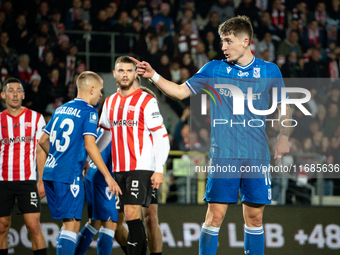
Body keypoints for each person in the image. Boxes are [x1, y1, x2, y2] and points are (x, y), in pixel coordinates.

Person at [132, 15, 291, 255]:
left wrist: (284, 137)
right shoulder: (214, 69)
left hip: (257, 156)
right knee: (215, 216)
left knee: (256, 218)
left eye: (228, 41)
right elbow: (178, 92)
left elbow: (284, 107)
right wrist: (154, 75)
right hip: (224, 156)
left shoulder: (269, 71)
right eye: (222, 41)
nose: (223, 46)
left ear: (245, 41)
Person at [38, 71, 121, 255]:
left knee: (69, 223)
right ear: (91, 89)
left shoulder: (60, 109)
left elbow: (43, 140)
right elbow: (91, 146)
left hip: (51, 172)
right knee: (71, 225)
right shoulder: (89, 112)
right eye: (99, 90)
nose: (101, 94)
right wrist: (108, 176)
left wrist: (58, 157)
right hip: (68, 175)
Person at [96, 56, 164, 255]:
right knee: (125, 219)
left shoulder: (147, 100)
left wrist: (158, 169)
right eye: (121, 70)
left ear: (135, 74)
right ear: (114, 74)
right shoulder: (109, 103)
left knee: (141, 216)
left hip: (142, 167)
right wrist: (89, 157)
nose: (125, 74)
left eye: (128, 71)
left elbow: (160, 136)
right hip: (119, 168)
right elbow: (106, 135)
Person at [0, 78, 47, 255]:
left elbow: (41, 151)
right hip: (2, 181)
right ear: (3, 95)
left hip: (27, 181)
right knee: (2, 227)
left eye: (18, 90)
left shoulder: (36, 118)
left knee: (34, 227)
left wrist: (41, 179)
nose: (15, 94)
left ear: (23, 95)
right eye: (11, 90)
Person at [74, 128, 121, 255]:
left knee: (94, 222)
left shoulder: (101, 125)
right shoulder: (118, 126)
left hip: (92, 173)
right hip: (104, 178)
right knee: (110, 224)